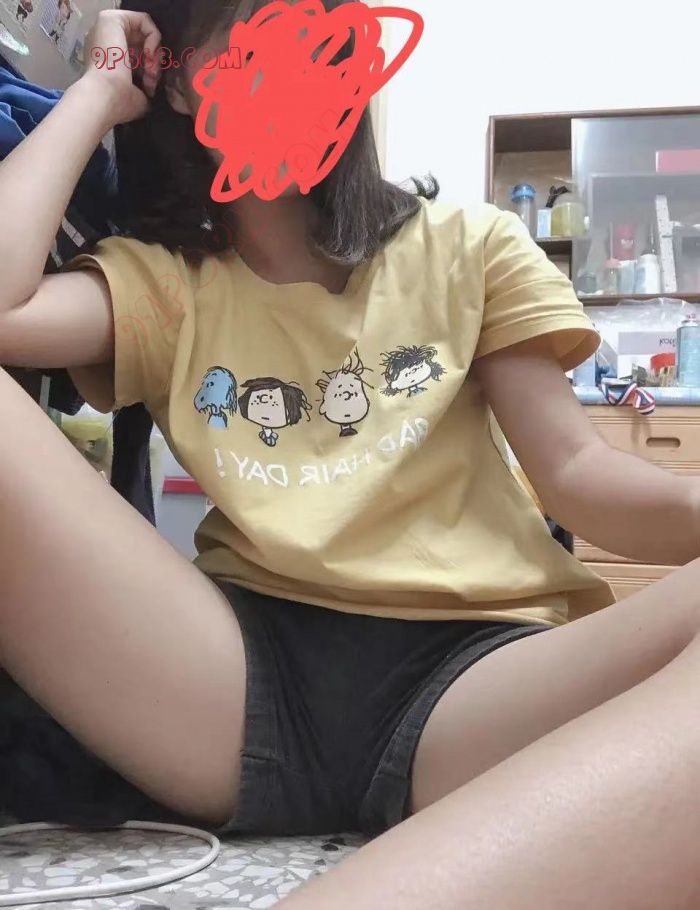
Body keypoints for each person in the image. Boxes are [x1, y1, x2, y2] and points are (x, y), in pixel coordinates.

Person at [0, 3, 699, 908]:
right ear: (175, 81)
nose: (300, 78)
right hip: (233, 681)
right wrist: (98, 90)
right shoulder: (165, 282)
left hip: (476, 681)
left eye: (326, 48)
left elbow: (578, 473)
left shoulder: (469, 245)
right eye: (257, 47)